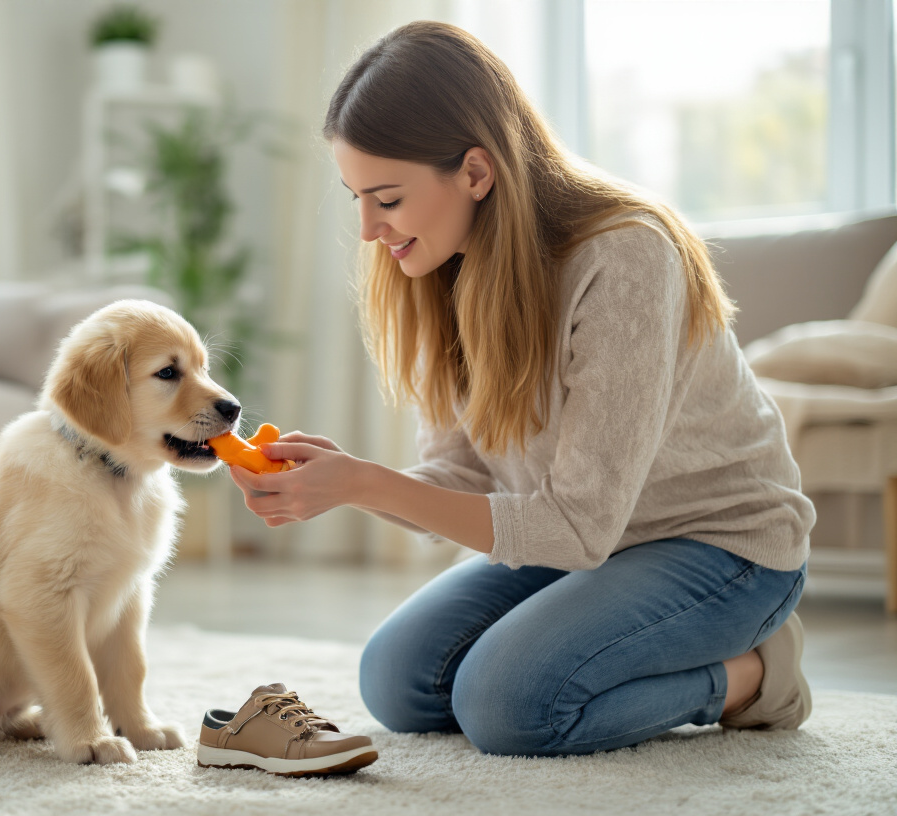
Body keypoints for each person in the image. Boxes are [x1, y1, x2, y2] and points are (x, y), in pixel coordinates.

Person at [227, 20, 815, 757]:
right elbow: (463, 475)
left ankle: (754, 673)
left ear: (476, 172)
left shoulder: (626, 256)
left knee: (508, 707)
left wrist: (369, 484)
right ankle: (604, 633)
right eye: (356, 199)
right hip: (583, 546)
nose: (371, 230)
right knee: (399, 681)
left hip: (718, 547)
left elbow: (578, 524)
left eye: (387, 198)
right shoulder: (439, 267)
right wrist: (343, 480)